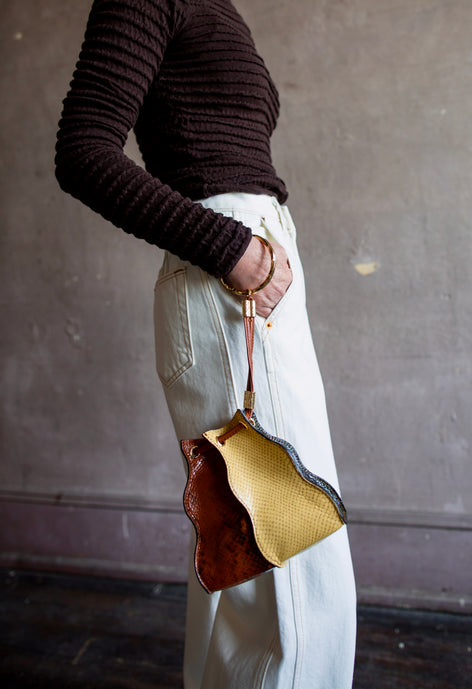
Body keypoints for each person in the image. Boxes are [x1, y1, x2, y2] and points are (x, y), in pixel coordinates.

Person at [55, 1, 357, 687]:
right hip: (228, 278)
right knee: (290, 563)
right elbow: (82, 151)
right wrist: (230, 248)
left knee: (249, 552)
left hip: (252, 271)